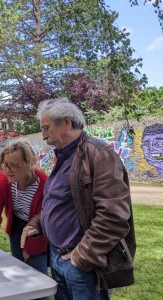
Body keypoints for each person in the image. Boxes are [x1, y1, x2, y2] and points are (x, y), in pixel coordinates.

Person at [23, 98, 135, 299]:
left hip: (82, 264)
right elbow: (60, 202)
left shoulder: (99, 155)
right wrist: (38, 223)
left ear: (66, 122)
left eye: (46, 128)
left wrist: (81, 257)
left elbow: (113, 217)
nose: (43, 135)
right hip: (59, 257)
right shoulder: (65, 156)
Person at [0, 141, 48, 275]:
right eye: (6, 165)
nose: (8, 170)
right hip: (16, 227)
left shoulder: (44, 184)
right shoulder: (2, 178)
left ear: (29, 163)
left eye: (15, 166)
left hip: (38, 231)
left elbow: (44, 219)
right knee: (18, 270)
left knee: (36, 274)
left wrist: (30, 248)